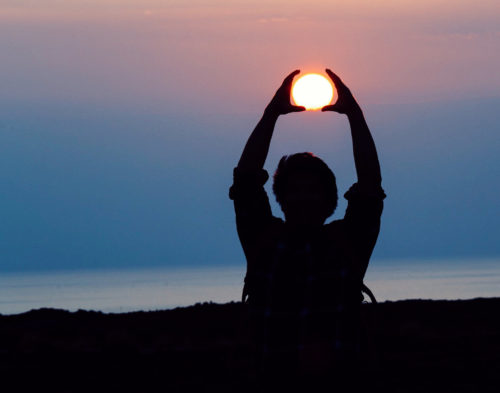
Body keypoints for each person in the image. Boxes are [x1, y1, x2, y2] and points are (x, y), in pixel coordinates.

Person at [229, 69, 385, 392]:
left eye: (312, 190)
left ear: (329, 200)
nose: (304, 197)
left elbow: (370, 188)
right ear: (281, 198)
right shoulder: (264, 241)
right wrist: (271, 114)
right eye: (295, 189)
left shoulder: (347, 244)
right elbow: (245, 182)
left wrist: (355, 115)